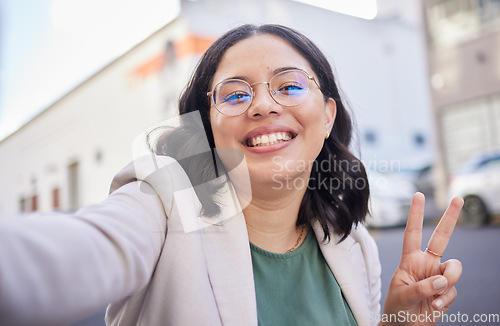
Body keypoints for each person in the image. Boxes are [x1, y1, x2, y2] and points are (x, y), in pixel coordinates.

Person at [0, 24, 463, 326]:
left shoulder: (353, 245)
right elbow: (77, 252)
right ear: (206, 127)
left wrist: (399, 322)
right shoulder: (165, 207)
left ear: (326, 116)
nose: (262, 104)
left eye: (289, 86)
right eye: (236, 94)